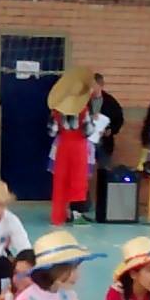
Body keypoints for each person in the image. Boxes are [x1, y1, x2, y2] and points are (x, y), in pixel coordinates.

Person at [46, 67, 99, 225]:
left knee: (60, 181)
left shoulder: (57, 112)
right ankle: (77, 215)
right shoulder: (84, 110)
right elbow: (88, 131)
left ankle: (58, 217)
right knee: (78, 181)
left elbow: (51, 132)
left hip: (63, 147)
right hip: (79, 148)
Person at [94, 72, 125, 171]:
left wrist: (111, 130)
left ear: (101, 85)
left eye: (94, 86)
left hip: (104, 142)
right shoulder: (85, 100)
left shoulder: (110, 102)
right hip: (87, 141)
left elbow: (119, 119)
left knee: (104, 170)